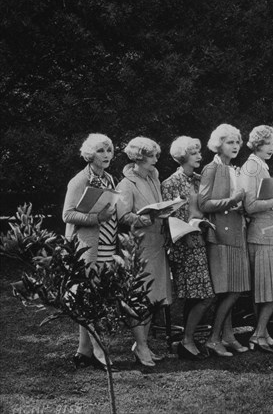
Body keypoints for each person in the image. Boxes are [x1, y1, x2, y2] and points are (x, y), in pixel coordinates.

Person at [63, 133, 119, 370]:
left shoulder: (109, 178)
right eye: (100, 151)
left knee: (95, 297)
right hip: (87, 248)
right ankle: (97, 351)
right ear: (89, 154)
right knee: (88, 297)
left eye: (108, 150)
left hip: (107, 245)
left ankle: (83, 350)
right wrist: (97, 217)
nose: (106, 155)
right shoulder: (79, 180)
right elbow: (67, 215)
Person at [116, 136, 173, 367]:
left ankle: (143, 344)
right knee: (140, 296)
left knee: (154, 296)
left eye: (157, 156)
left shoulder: (153, 179)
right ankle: (140, 345)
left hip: (157, 244)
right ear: (139, 158)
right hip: (139, 247)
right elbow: (122, 216)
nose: (156, 161)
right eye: (152, 157)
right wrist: (146, 219)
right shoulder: (126, 184)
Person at [197, 123, 250, 357]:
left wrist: (242, 204)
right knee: (229, 290)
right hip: (220, 234)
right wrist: (232, 200)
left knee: (235, 287)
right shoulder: (211, 169)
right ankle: (213, 338)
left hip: (237, 231)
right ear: (219, 145)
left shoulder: (233, 169)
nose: (235, 146)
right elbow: (204, 204)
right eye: (230, 142)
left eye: (237, 142)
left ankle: (228, 336)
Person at [161, 136, 215, 361]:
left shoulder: (199, 179)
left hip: (201, 241)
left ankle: (188, 339)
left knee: (198, 295)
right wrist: (189, 230)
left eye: (199, 152)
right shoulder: (170, 183)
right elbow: (168, 217)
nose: (200, 156)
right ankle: (187, 340)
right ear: (183, 155)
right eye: (194, 153)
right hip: (185, 245)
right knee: (203, 296)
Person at [238, 125, 273, 353]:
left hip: (269, 233)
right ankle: (258, 334)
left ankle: (263, 333)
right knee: (272, 287)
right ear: (257, 143)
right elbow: (250, 206)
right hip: (262, 236)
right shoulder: (251, 167)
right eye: (267, 143)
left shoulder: (260, 166)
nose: (272, 148)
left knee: (269, 288)